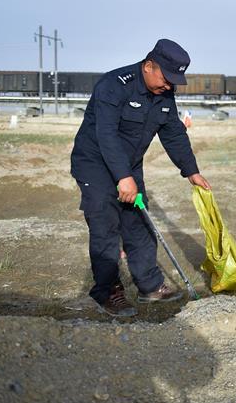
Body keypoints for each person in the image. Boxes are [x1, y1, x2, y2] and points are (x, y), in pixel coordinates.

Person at [70, 39, 211, 317]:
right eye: (166, 79)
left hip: (129, 165)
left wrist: (191, 171)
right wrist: (123, 177)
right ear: (148, 66)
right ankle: (108, 293)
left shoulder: (164, 93)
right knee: (105, 226)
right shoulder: (113, 85)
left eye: (173, 82)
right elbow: (106, 134)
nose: (169, 86)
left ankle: (150, 286)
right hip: (95, 163)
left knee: (139, 224)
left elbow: (173, 133)